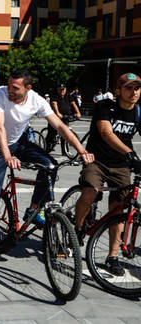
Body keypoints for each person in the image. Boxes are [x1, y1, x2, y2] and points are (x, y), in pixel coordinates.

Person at [0, 70, 94, 262]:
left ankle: (34, 209)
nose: (9, 89)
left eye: (15, 87)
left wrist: (82, 150)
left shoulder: (36, 100)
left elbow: (60, 126)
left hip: (19, 143)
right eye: (9, 84)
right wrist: (7, 155)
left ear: (28, 88)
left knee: (50, 166)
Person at [73, 73, 141, 276]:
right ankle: (77, 229)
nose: (133, 92)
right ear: (118, 90)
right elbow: (106, 132)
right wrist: (130, 153)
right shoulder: (105, 107)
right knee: (90, 192)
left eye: (137, 88)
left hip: (121, 166)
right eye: (128, 88)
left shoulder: (138, 112)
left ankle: (112, 256)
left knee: (119, 210)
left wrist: (129, 158)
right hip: (98, 161)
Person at [46, 84, 82, 151]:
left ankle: (64, 150)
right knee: (52, 131)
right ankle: (48, 145)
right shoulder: (54, 96)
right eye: (60, 89)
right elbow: (54, 104)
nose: (62, 91)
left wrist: (78, 112)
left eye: (63, 89)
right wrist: (57, 113)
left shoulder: (68, 96)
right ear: (57, 90)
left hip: (66, 116)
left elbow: (73, 104)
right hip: (55, 115)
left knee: (65, 132)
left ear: (65, 89)